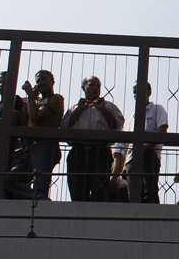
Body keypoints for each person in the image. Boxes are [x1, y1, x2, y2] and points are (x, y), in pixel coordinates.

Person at [61, 76, 125, 202]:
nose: (95, 88)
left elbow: (117, 125)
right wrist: (79, 109)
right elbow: (64, 126)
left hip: (99, 152)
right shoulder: (75, 107)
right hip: (78, 152)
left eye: (98, 86)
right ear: (84, 87)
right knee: (77, 190)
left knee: (100, 191)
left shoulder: (109, 106)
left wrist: (103, 110)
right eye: (91, 85)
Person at [17, 70, 65, 200]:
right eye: (38, 81)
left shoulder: (56, 99)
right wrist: (30, 99)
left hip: (46, 145)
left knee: (40, 183)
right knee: (11, 179)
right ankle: (37, 198)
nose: (40, 83)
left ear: (52, 82)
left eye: (44, 79)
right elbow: (24, 121)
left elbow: (35, 118)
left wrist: (31, 95)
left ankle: (40, 200)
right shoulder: (35, 101)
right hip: (31, 146)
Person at [129, 82, 169, 203]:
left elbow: (162, 130)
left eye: (140, 90)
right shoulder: (134, 116)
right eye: (135, 92)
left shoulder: (157, 109)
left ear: (149, 92)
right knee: (133, 191)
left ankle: (151, 217)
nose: (137, 94)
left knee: (149, 190)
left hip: (150, 154)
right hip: (132, 156)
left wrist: (146, 148)